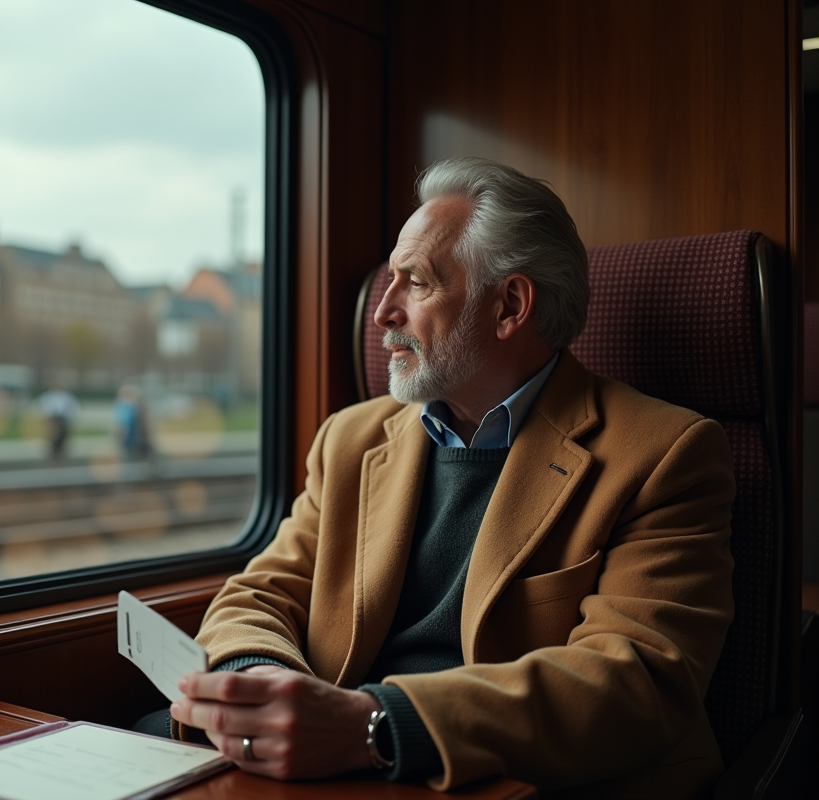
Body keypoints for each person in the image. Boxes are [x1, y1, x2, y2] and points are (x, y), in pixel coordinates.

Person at [164, 158, 735, 798]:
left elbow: (634, 682)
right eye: (389, 281)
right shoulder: (350, 440)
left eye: (416, 283)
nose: (382, 312)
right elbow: (260, 595)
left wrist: (374, 725)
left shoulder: (665, 455)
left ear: (510, 305)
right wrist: (261, 684)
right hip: (329, 768)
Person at [37, 384, 79, 460]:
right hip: (52, 421)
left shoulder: (68, 397)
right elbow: (42, 408)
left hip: (63, 420)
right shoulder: (47, 397)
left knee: (63, 439)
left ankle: (62, 453)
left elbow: (73, 409)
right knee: (53, 438)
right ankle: (53, 453)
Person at [114, 384, 153, 462]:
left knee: (130, 459)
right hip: (136, 438)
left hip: (132, 438)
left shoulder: (126, 406)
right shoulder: (134, 406)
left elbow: (123, 424)